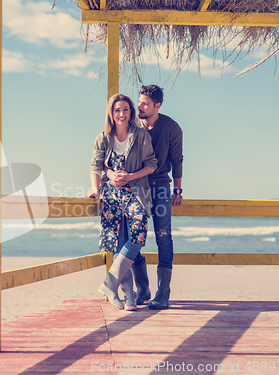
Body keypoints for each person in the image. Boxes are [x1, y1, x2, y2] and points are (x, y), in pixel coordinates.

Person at [86, 93, 157, 310]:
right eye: (117, 110)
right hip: (111, 193)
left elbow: (151, 164)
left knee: (137, 234)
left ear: (131, 112)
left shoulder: (141, 135)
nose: (121, 114)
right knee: (118, 240)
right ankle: (129, 297)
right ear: (111, 113)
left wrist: (129, 176)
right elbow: (96, 166)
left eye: (126, 109)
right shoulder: (103, 137)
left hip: (136, 191)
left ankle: (110, 283)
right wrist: (95, 189)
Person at [130, 84, 183, 310]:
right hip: (136, 188)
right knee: (133, 237)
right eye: (139, 101)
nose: (139, 106)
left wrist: (178, 190)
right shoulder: (131, 125)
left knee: (163, 236)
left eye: (145, 104)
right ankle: (143, 289)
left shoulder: (171, 128)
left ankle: (163, 293)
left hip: (161, 186)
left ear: (157, 106)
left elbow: (177, 160)